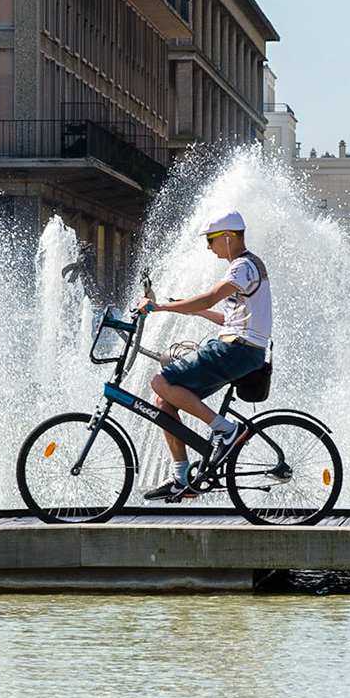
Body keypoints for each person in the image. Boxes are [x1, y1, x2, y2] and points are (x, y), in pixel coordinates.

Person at [132, 210, 272, 501]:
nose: (209, 247)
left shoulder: (242, 266)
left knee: (159, 381)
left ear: (228, 237)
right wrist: (188, 307)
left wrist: (159, 308)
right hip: (238, 347)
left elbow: (210, 297)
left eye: (211, 240)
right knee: (164, 400)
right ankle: (181, 477)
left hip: (238, 349)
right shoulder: (244, 267)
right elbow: (228, 317)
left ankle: (226, 431)